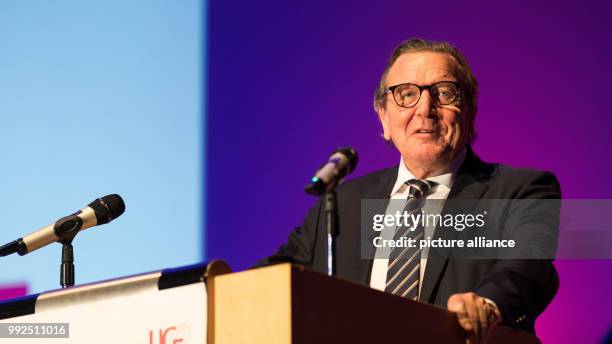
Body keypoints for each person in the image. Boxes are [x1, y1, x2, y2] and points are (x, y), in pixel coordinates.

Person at [257, 38, 560, 343]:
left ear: (470, 114)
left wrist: (487, 304)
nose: (425, 109)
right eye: (406, 94)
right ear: (384, 117)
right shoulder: (344, 203)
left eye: (444, 93)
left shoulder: (521, 190)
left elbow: (527, 266)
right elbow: (269, 281)